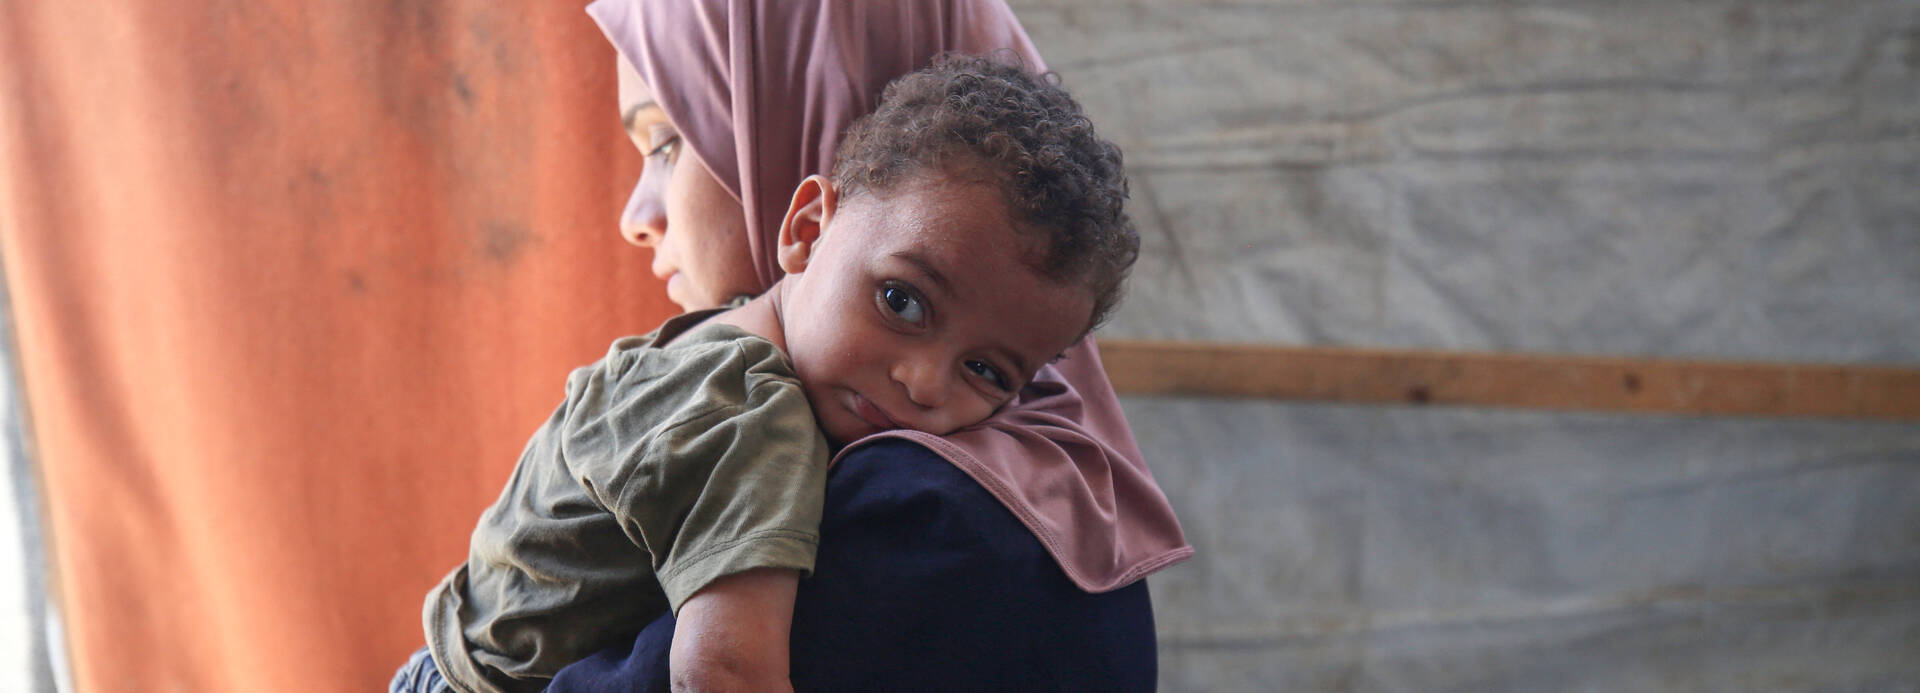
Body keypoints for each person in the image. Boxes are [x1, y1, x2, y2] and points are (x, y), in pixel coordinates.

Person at [394, 56, 1146, 693]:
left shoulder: (717, 336)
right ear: (807, 229)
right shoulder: (752, 420)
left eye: (985, 370)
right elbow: (723, 671)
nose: (923, 382)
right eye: (902, 301)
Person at [552, 1, 1195, 690]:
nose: (636, 218)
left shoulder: (917, 514)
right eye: (901, 301)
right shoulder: (1024, 481)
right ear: (807, 224)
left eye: (668, 143)